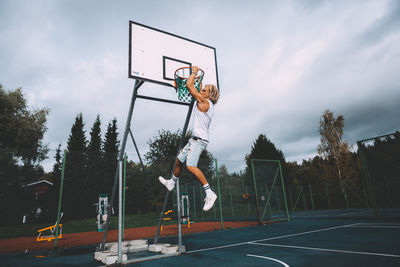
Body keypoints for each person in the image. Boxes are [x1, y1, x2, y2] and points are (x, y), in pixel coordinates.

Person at [159, 66, 220, 211]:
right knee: (178, 161)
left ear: (209, 94)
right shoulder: (205, 102)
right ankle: (172, 183)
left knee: (191, 166)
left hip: (199, 141)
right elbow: (195, 88)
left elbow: (189, 85)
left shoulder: (205, 102)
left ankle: (209, 193)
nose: (202, 91)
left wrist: (194, 72)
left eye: (204, 90)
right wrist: (198, 80)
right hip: (194, 140)